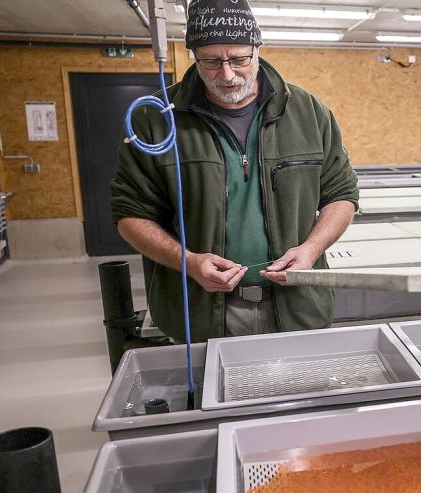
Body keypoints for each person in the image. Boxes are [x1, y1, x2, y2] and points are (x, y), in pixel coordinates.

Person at [111, 0, 358, 342]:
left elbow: (342, 195)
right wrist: (189, 262)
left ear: (256, 49)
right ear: (193, 56)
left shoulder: (308, 112)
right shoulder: (157, 120)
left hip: (297, 309)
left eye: (239, 59)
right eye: (211, 61)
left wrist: (311, 250)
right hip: (199, 313)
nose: (226, 74)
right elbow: (130, 214)